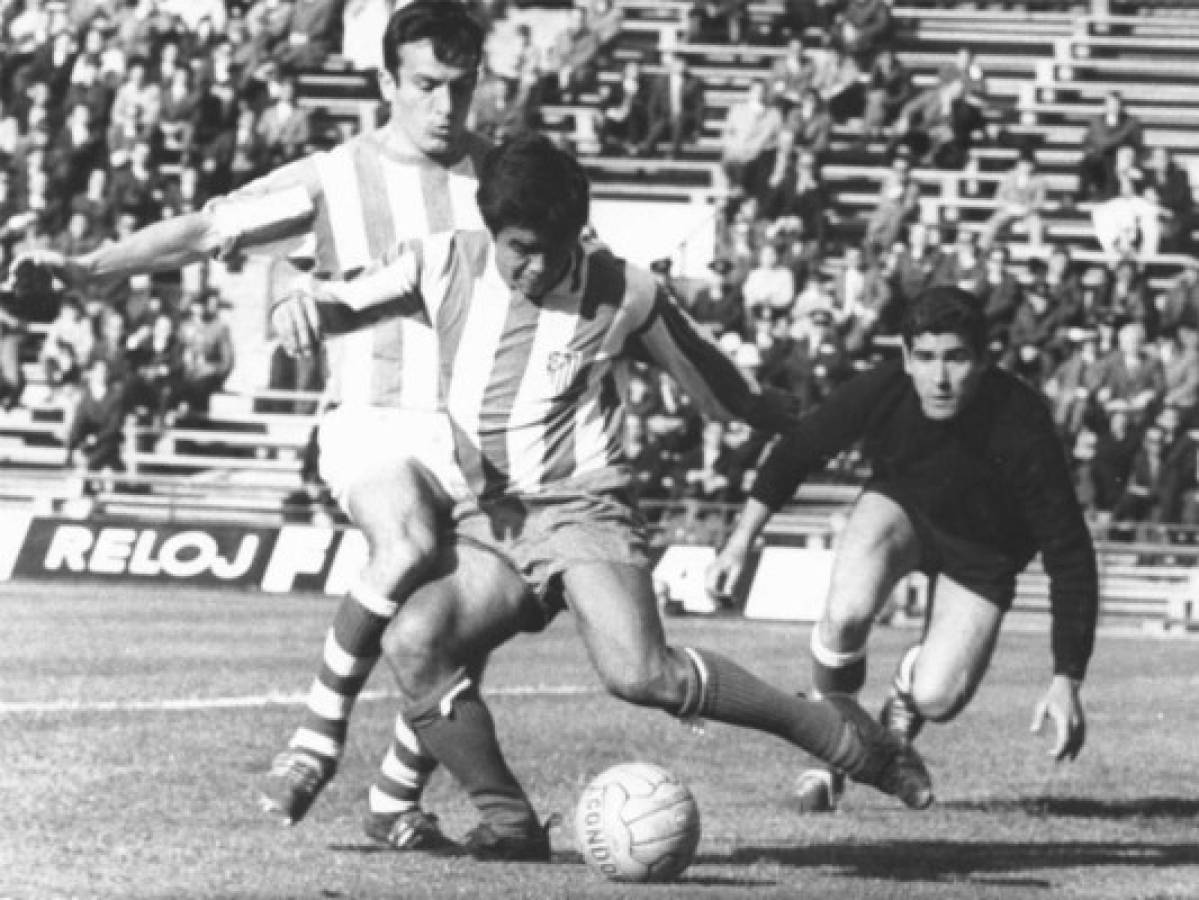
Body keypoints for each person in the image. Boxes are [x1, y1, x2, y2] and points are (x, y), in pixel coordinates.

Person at [270, 133, 935, 856]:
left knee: (639, 674)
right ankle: (510, 824)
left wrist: (807, 421)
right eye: (519, 247)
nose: (535, 266)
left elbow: (721, 388)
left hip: (583, 510)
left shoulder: (624, 290)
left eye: (552, 249)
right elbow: (337, 301)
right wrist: (298, 309)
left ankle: (835, 734)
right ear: (491, 229)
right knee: (415, 640)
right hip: (490, 519)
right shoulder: (440, 262)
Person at [17, 0, 512, 855]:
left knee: (464, 622)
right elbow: (210, 227)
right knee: (407, 540)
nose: (443, 107)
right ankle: (315, 739)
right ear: (386, 81)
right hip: (374, 421)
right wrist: (88, 266)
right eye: (425, 86)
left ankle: (394, 797)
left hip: (480, 436)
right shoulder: (330, 177)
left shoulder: (499, 180)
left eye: (459, 90)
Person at [707, 286, 1098, 813]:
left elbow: (1070, 554)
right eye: (927, 358)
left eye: (957, 358)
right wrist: (737, 544)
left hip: (984, 551)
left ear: (984, 361)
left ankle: (906, 690)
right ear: (907, 358)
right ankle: (830, 750)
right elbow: (799, 448)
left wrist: (1066, 680)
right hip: (903, 513)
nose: (940, 378)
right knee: (844, 614)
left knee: (938, 697)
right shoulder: (884, 387)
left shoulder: (1023, 421)